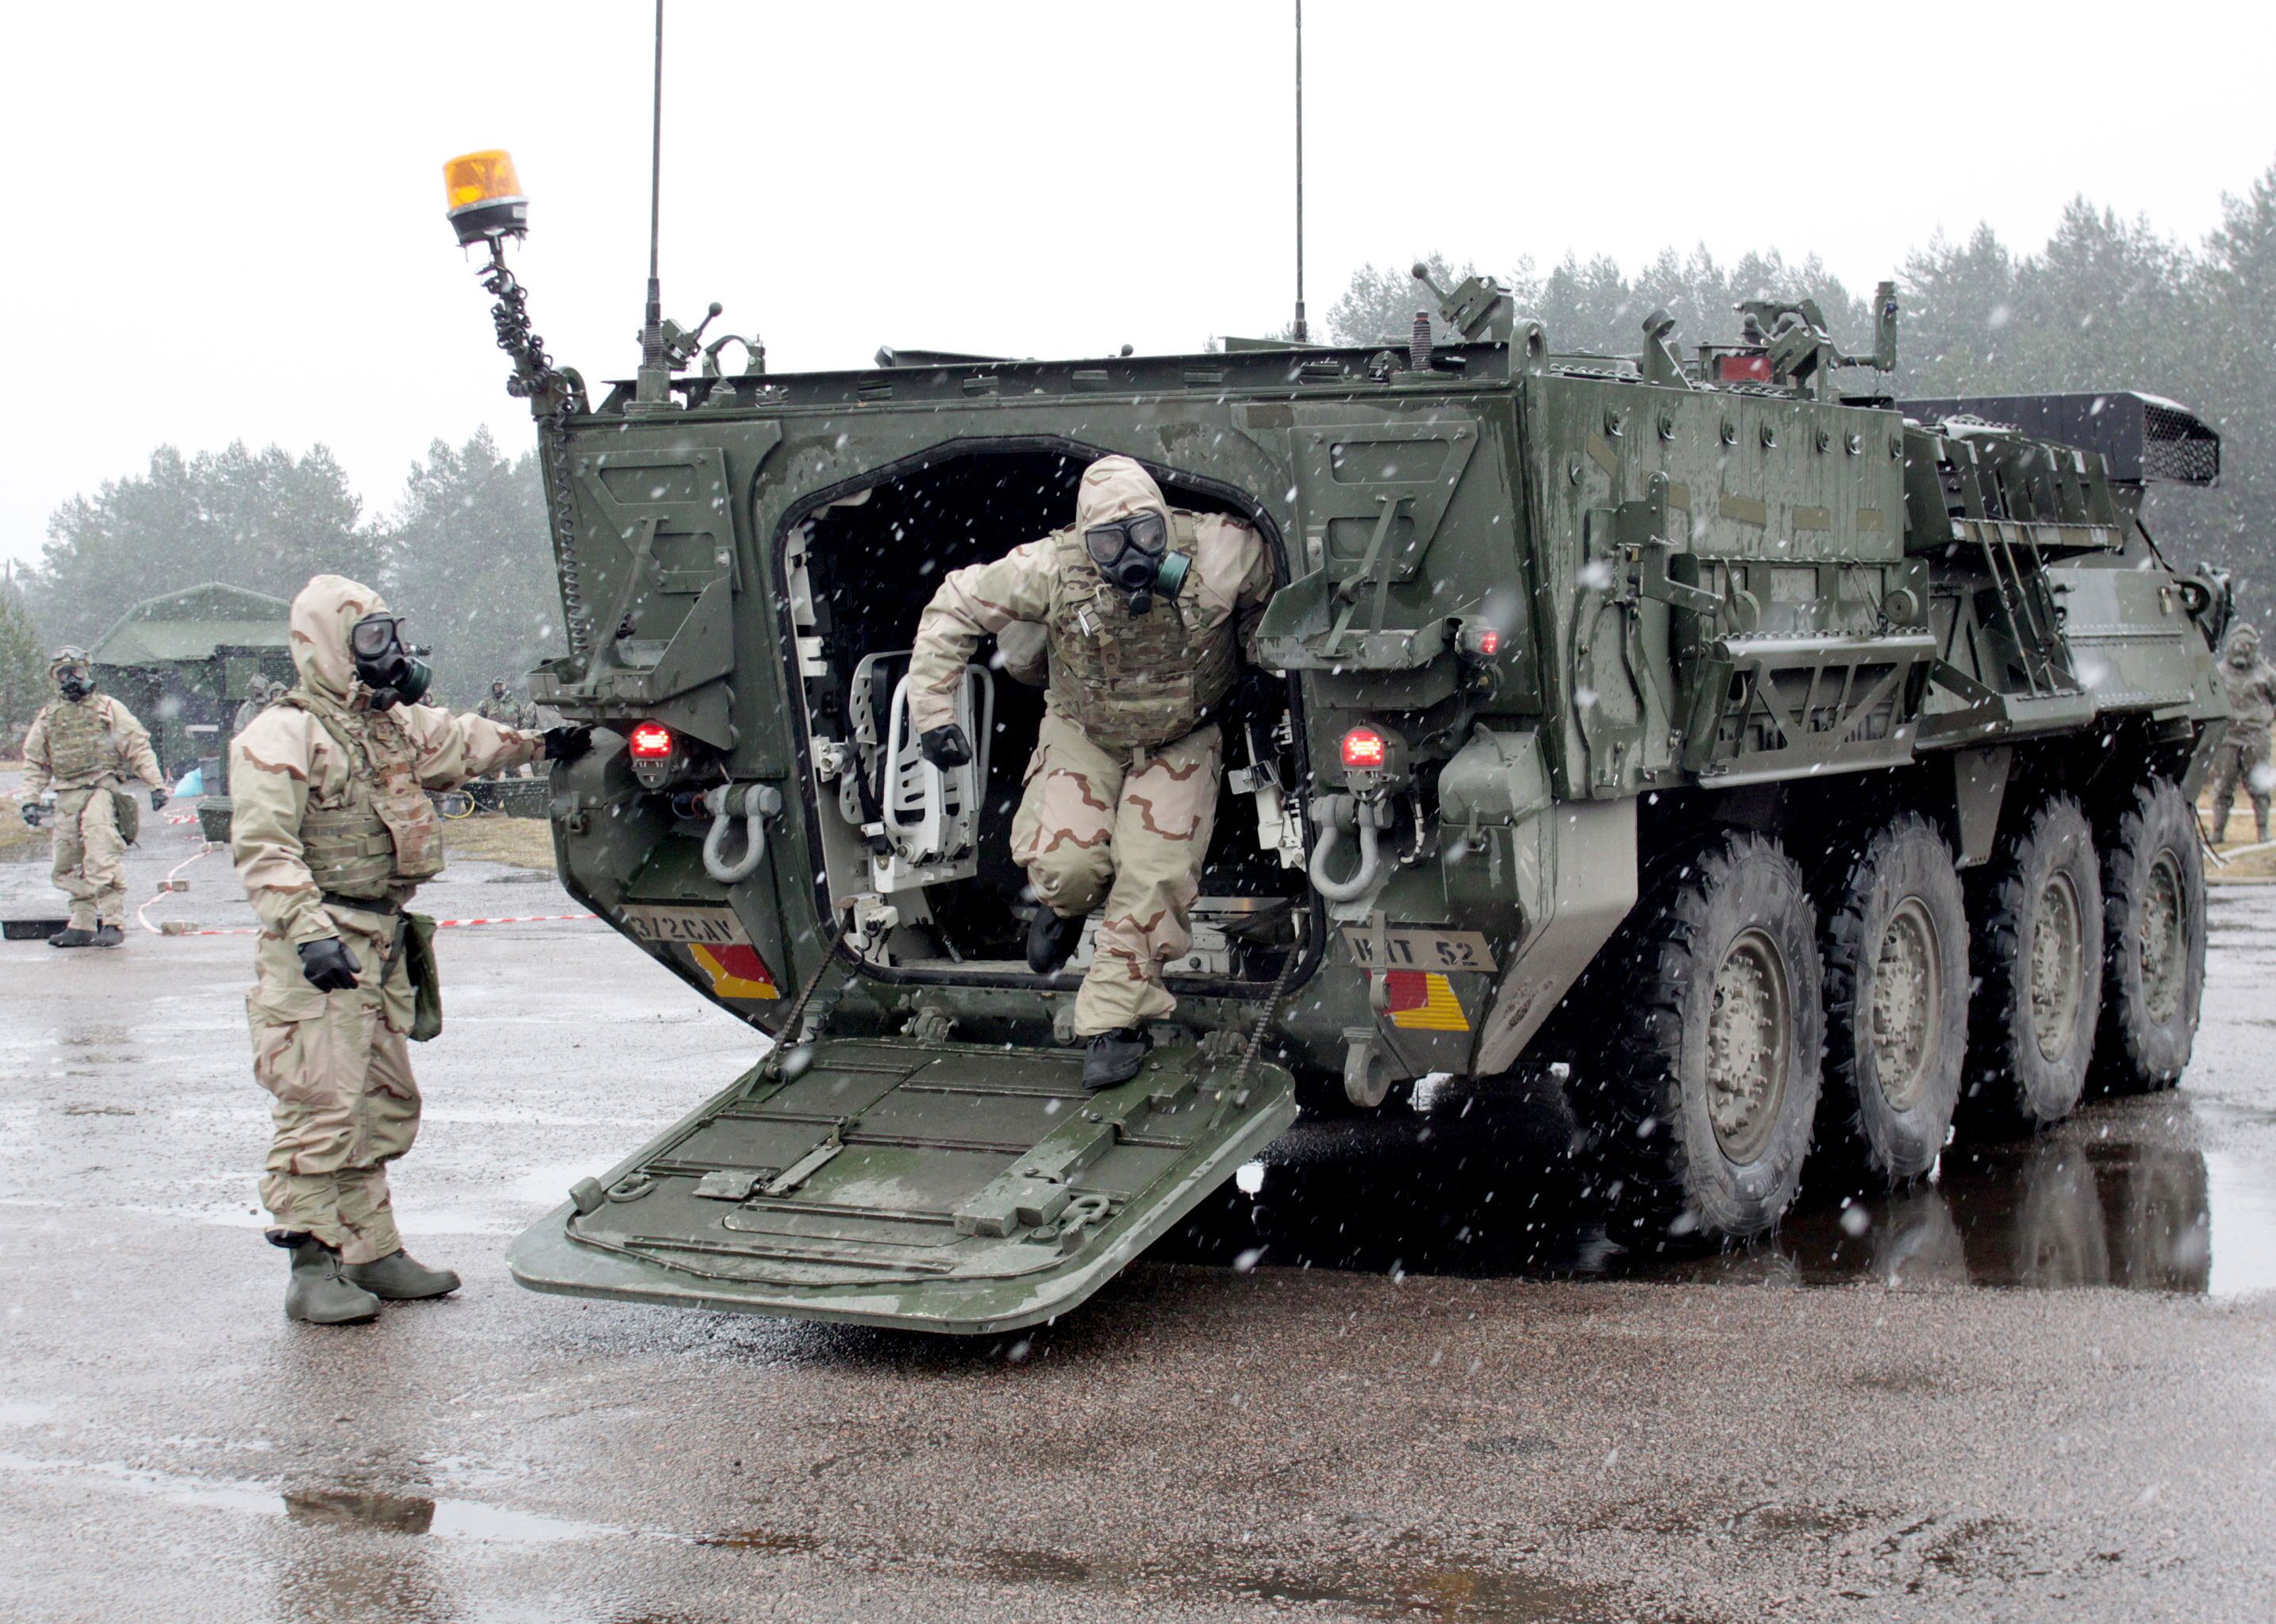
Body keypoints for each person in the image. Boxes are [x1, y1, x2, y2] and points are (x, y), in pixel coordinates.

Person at [229, 575, 592, 1325]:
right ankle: (311, 1264)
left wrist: (544, 743)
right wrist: (307, 934)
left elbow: (461, 740)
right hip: (322, 945)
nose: (388, 654)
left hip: (381, 937)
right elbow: (265, 849)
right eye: (368, 640)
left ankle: (372, 1248)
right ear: (327, 644)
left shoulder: (388, 726)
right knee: (320, 1104)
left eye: (390, 636)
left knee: (381, 1100)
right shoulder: (283, 735)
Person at [905, 455, 1274, 1088]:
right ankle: (1062, 902)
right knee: (1068, 863)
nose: (1133, 553)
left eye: (1148, 535)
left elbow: (1290, 578)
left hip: (1180, 735)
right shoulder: (1050, 568)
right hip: (1085, 728)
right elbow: (955, 604)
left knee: (1152, 875)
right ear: (1085, 542)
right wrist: (933, 713)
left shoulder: (1220, 551)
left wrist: (1264, 658)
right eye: (1109, 542)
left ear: (1166, 524)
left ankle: (1112, 1021)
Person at [17, 647, 166, 948]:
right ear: (54, 679)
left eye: (77, 673)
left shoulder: (107, 708)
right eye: (64, 674)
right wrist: (29, 799)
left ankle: (113, 921)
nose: (71, 679)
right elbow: (35, 761)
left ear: (87, 674)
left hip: (100, 788)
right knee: (68, 859)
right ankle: (82, 923)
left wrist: (155, 784)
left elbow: (136, 745)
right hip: (67, 793)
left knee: (102, 854)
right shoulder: (48, 717)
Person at [2211, 622, 2276, 845]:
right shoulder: (2219, 673)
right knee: (2223, 787)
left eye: (2247, 646)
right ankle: (2218, 832)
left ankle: (2263, 830)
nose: (2241, 650)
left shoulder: (2265, 673)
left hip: (2256, 737)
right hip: (2228, 737)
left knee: (2259, 786)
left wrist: (2266, 721)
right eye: (2238, 645)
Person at [477, 679, 539, 777]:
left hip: (512, 743)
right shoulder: (486, 703)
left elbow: (522, 723)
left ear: (506, 687)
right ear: (493, 687)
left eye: (501, 686)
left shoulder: (515, 704)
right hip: (493, 744)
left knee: (514, 774)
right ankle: (489, 791)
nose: (499, 688)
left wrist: (521, 739)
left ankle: (514, 791)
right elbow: (480, 722)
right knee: (489, 773)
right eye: (496, 686)